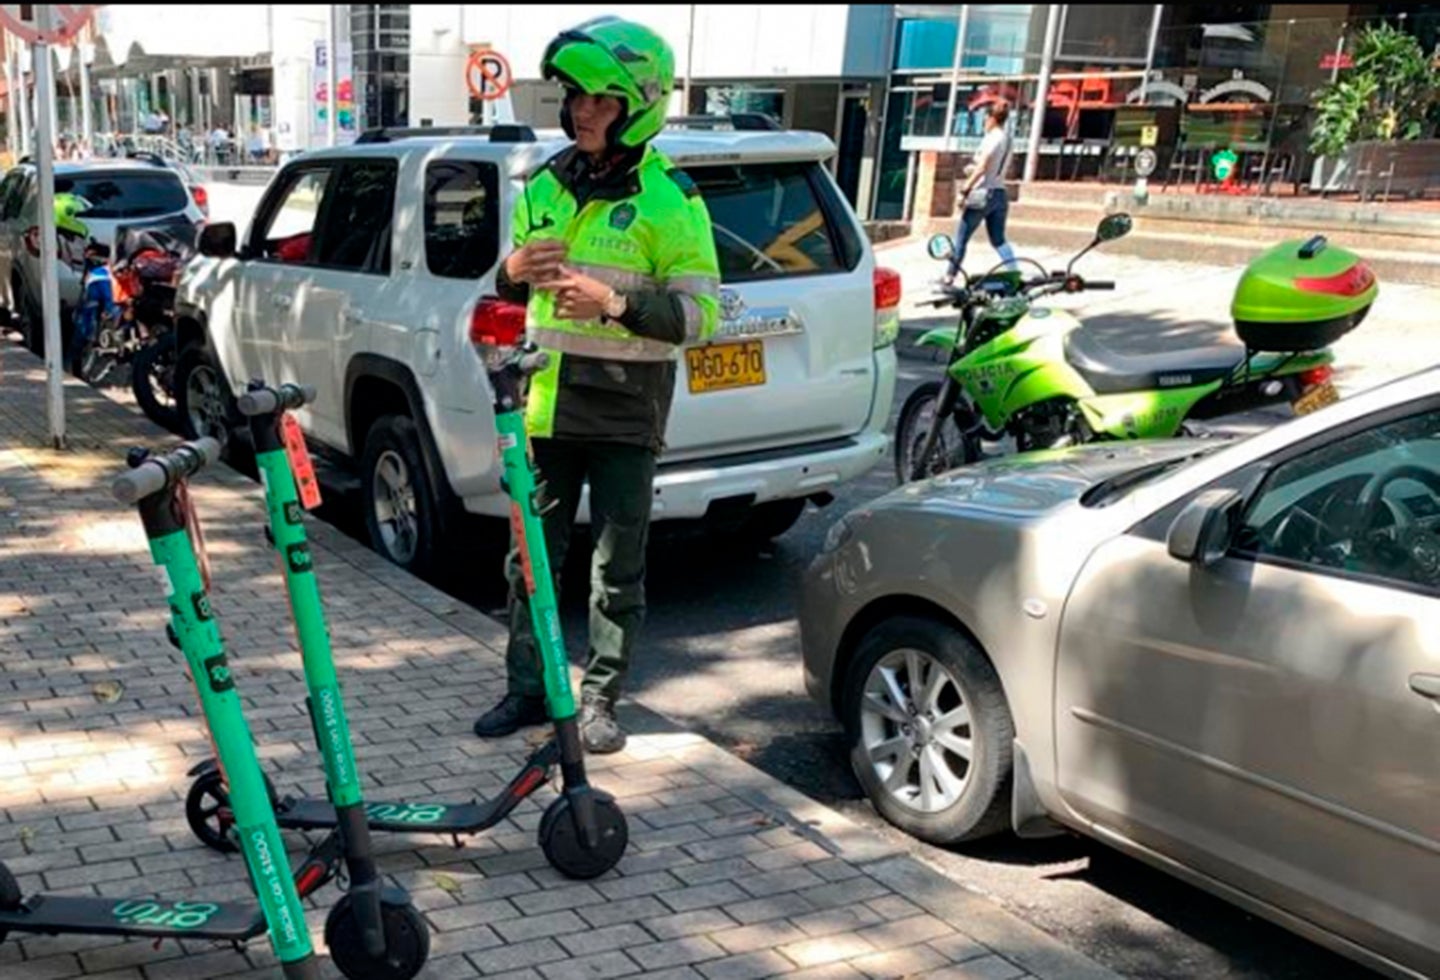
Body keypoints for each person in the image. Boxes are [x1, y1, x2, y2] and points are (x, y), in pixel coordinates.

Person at [472, 15, 720, 754]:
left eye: (601, 101)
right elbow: (510, 294)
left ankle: (600, 700)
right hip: (543, 405)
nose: (581, 111)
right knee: (529, 564)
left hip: (623, 412)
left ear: (639, 103)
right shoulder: (545, 183)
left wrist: (613, 303)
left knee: (616, 571)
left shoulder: (671, 201)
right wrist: (510, 274)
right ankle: (528, 688)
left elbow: (701, 317)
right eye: (576, 96)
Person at [943, 100, 1018, 285]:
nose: (984, 122)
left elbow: (983, 167)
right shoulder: (1008, 140)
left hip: (984, 193)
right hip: (1000, 193)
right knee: (998, 239)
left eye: (985, 118)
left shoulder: (993, 138)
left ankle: (949, 276)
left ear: (991, 118)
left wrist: (965, 189)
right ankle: (1014, 271)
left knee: (961, 237)